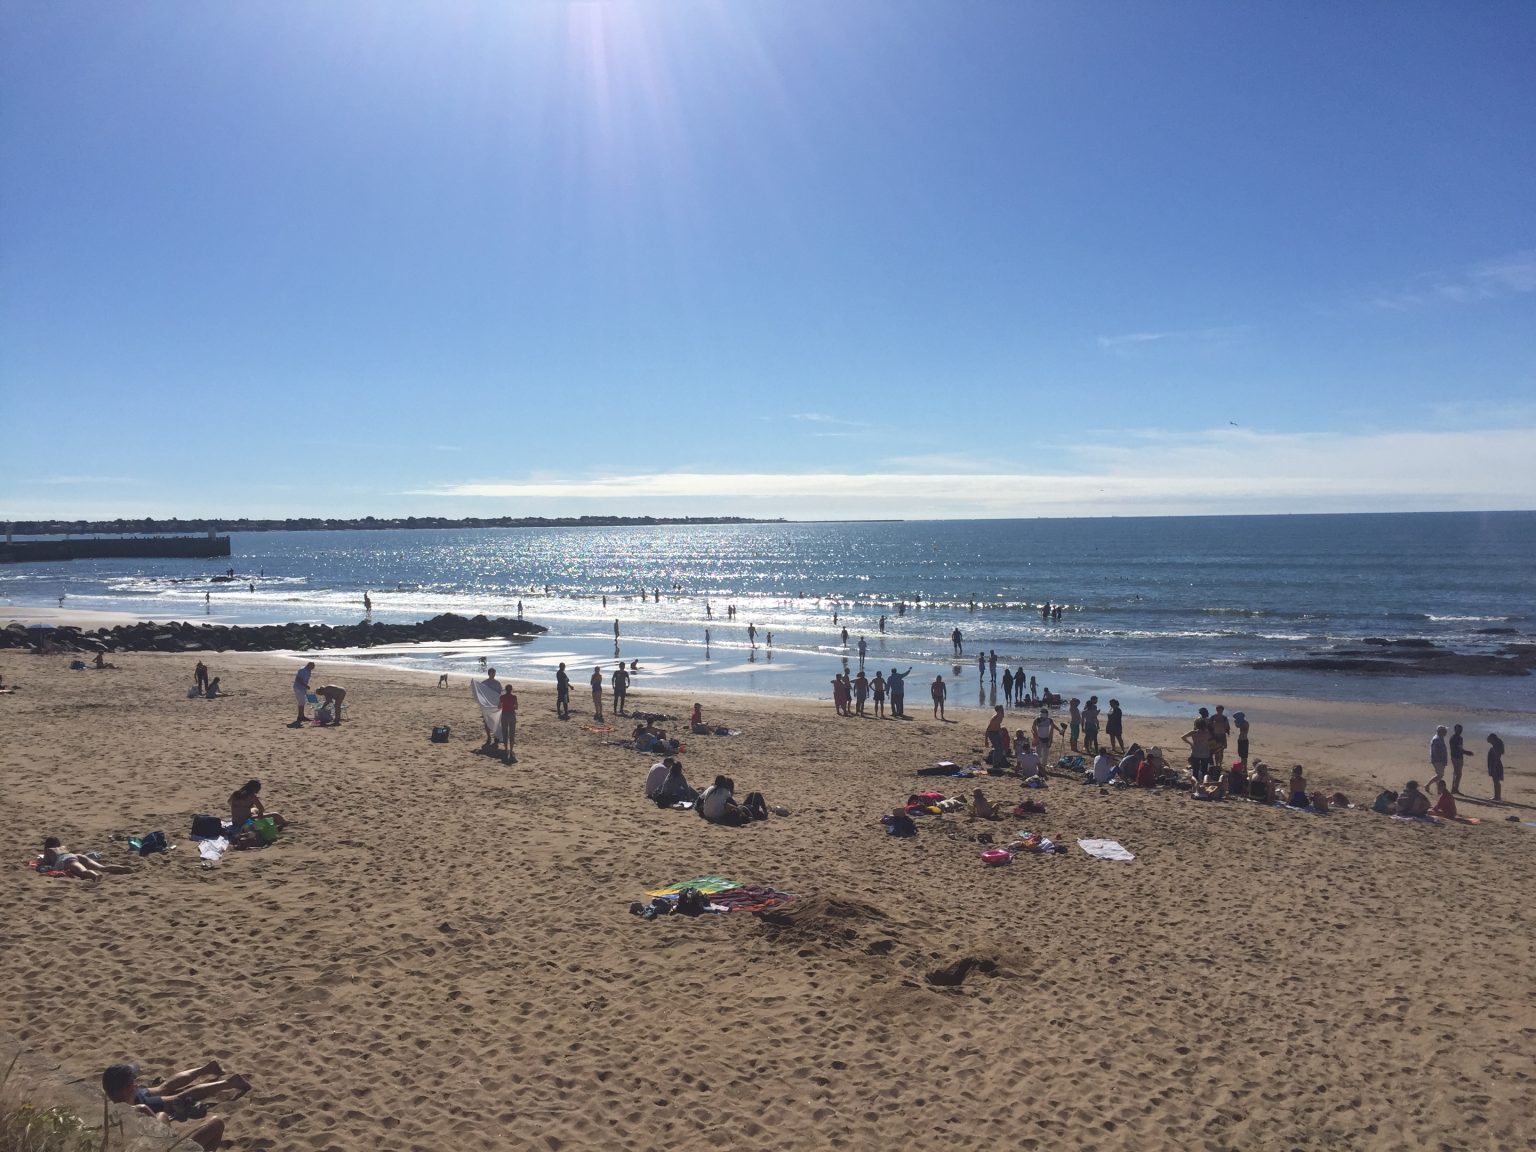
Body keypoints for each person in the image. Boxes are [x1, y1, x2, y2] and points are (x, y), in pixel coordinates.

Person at [101, 1061, 248, 1152]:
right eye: (134, 1082)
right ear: (128, 1087)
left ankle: (211, 1073)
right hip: (137, 1104)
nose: (137, 1083)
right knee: (171, 1093)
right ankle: (218, 1077)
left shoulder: (104, 1112)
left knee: (164, 1092)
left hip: (127, 1098)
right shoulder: (141, 1110)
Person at [40, 836, 130, 879]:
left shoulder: (48, 850)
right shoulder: (63, 848)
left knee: (83, 872)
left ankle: (95, 875)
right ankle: (123, 868)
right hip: (75, 856)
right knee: (102, 867)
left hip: (66, 860)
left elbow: (46, 862)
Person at [289, 661, 316, 727]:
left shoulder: (308, 670)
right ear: (309, 665)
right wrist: (305, 685)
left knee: (302, 702)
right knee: (301, 702)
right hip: (298, 688)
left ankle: (301, 716)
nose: (313, 668)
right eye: (313, 667)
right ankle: (300, 716)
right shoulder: (303, 670)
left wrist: (305, 686)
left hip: (302, 688)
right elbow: (298, 679)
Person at [498, 683, 518, 761]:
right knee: (512, 733)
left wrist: (504, 706)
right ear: (511, 690)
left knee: (505, 732)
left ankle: (506, 749)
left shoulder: (502, 697)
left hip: (504, 715)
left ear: (505, 690)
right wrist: (512, 706)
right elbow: (516, 707)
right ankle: (511, 749)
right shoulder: (514, 697)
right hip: (512, 715)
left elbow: (499, 706)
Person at [1448, 723, 1468, 794]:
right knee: (1458, 774)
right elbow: (1459, 748)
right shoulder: (1458, 738)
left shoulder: (1453, 738)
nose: (1460, 731)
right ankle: (1455, 788)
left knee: (1456, 773)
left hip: (1454, 756)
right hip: (1457, 757)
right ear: (1455, 730)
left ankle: (1454, 788)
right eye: (1459, 730)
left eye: (1461, 730)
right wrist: (1466, 752)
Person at [1487, 732, 1505, 802]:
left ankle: (1497, 796)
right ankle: (1497, 796)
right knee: (1496, 781)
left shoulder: (1495, 748)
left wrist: (1494, 767)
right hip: (1496, 765)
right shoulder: (1495, 747)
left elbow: (1496, 758)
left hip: (1496, 765)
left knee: (1496, 781)